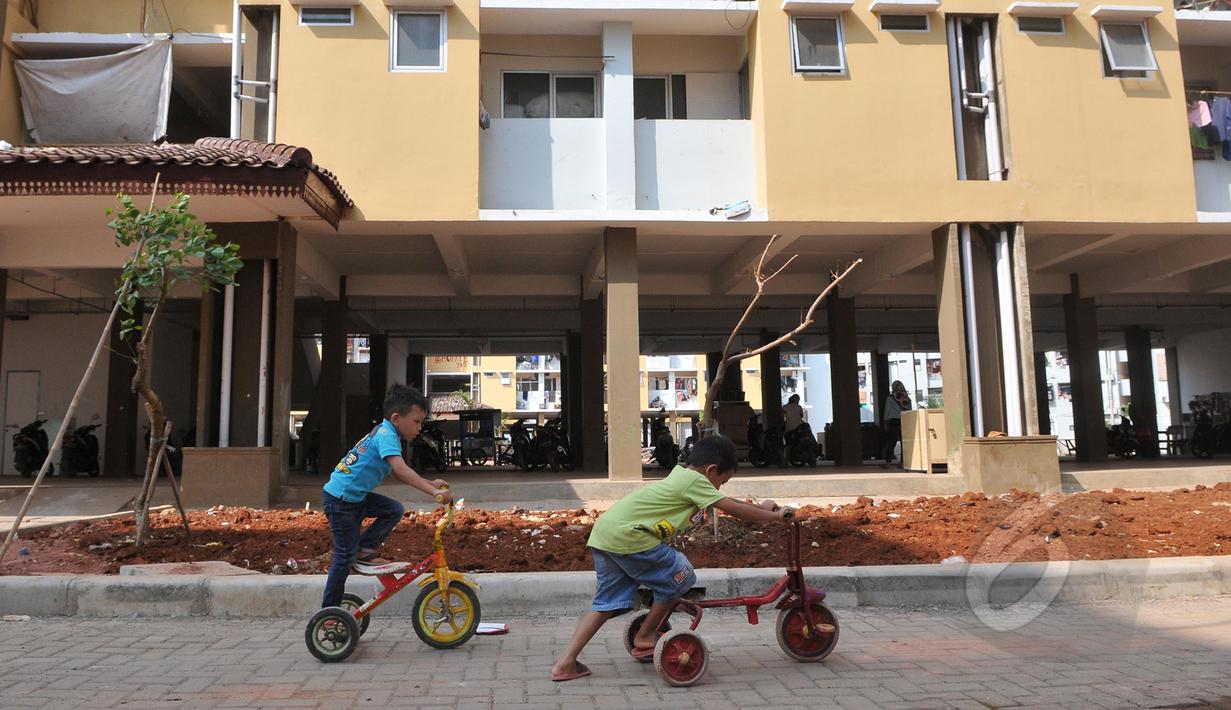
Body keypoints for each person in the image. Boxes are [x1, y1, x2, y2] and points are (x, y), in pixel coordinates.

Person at [550, 434, 796, 682]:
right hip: (632, 538)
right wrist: (776, 517)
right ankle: (645, 635)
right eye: (722, 481)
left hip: (607, 535)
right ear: (710, 470)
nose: (720, 488)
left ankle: (566, 663)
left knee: (606, 603)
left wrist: (761, 508)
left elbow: (725, 501)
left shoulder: (684, 476)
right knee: (680, 576)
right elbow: (731, 508)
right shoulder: (695, 481)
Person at [320, 384, 452, 609]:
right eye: (417, 421)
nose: (420, 428)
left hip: (353, 498)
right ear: (397, 417)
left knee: (393, 509)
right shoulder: (386, 436)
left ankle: (365, 549)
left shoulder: (385, 432)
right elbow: (400, 470)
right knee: (344, 557)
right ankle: (329, 610)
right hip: (341, 501)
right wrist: (433, 492)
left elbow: (397, 471)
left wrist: (430, 483)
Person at [882, 381, 912, 465]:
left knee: (892, 441)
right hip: (905, 421)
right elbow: (909, 410)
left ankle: (888, 461)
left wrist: (885, 422)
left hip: (894, 421)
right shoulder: (907, 398)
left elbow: (887, 411)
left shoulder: (890, 398)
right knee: (904, 442)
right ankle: (903, 461)